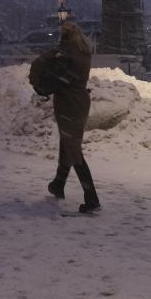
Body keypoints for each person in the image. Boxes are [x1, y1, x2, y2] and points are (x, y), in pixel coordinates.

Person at [43, 21, 99, 214]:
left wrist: (45, 83)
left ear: (66, 35)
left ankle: (91, 198)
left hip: (68, 102)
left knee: (73, 148)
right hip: (79, 101)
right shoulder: (83, 52)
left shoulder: (69, 54)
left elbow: (62, 79)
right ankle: (58, 183)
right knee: (68, 143)